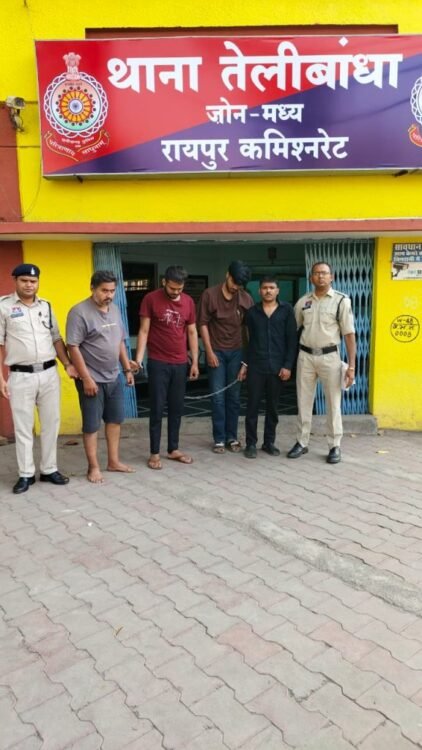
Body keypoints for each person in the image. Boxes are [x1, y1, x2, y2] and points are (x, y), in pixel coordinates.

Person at [0, 264, 78, 494]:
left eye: (33, 281)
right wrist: (1, 379)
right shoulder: (3, 307)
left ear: (38, 283)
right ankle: (26, 474)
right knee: (23, 427)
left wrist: (67, 364)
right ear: (15, 280)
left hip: (48, 373)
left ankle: (49, 469)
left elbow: (56, 339)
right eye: (24, 280)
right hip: (20, 375)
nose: (29, 285)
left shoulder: (46, 306)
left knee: (51, 424)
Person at [66, 270, 135, 484]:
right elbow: (73, 347)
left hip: (114, 377)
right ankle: (93, 467)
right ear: (92, 288)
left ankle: (113, 462)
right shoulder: (79, 312)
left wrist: (127, 369)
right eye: (104, 290)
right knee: (91, 425)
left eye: (112, 291)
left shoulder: (115, 310)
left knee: (114, 421)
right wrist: (86, 378)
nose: (109, 295)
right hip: (92, 379)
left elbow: (120, 341)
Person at [287, 261, 356, 464]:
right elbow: (292, 330)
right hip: (306, 357)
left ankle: (334, 445)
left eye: (325, 273)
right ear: (311, 278)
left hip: (330, 357)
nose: (321, 276)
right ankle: (302, 442)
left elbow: (349, 334)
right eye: (317, 273)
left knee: (333, 403)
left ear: (331, 277)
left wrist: (351, 366)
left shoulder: (341, 301)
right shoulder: (303, 302)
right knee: (303, 401)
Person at [135, 265, 199, 470]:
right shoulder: (151, 299)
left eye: (179, 288)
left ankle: (173, 449)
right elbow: (144, 331)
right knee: (156, 408)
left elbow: (192, 332)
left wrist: (195, 361)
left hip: (180, 363)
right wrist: (138, 360)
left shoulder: (188, 302)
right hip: (158, 362)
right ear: (164, 282)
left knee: (176, 408)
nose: (176, 292)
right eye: (172, 288)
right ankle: (154, 453)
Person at [197, 260, 253, 454]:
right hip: (217, 352)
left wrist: (246, 362)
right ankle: (219, 439)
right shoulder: (209, 295)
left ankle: (232, 437)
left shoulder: (245, 298)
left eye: (240, 285)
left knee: (234, 397)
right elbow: (202, 324)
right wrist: (209, 351)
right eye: (234, 282)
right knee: (218, 397)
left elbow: (250, 330)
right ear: (227, 275)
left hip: (238, 352)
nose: (236, 287)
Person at [239, 277, 297, 458]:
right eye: (265, 288)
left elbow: (291, 340)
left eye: (272, 288)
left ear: (278, 290)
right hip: (256, 366)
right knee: (252, 407)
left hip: (277, 367)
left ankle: (269, 442)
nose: (268, 291)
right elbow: (247, 341)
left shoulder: (286, 310)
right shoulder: (252, 312)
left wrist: (288, 365)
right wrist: (245, 364)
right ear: (259, 291)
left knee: (273, 407)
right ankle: (250, 443)